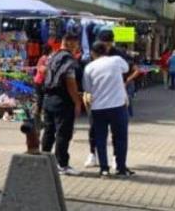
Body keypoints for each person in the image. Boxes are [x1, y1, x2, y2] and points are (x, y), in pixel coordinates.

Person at [83, 41, 134, 177]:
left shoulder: (89, 67)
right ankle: (121, 168)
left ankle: (104, 169)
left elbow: (88, 89)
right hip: (118, 106)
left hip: (98, 107)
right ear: (106, 50)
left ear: (93, 53)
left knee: (100, 138)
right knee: (120, 138)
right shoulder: (116, 60)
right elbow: (127, 69)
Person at [42, 31, 83, 176]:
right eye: (77, 44)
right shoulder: (69, 60)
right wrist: (77, 102)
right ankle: (62, 164)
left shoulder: (53, 57)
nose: (78, 47)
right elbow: (70, 81)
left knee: (49, 131)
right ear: (71, 43)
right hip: (63, 101)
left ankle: (44, 159)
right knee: (63, 133)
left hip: (48, 99)